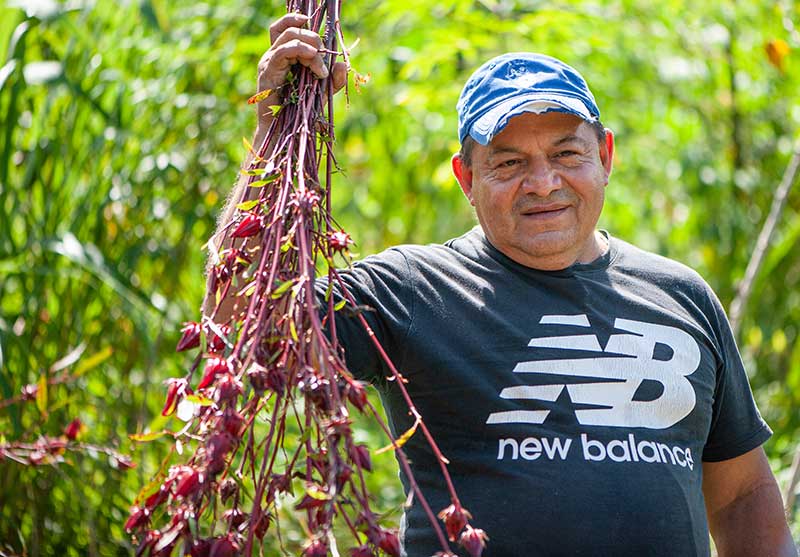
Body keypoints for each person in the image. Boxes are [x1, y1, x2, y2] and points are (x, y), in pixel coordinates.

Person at [210, 13, 798, 557]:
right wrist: (275, 128)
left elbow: (742, 494)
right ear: (465, 177)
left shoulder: (681, 296)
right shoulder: (413, 290)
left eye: (567, 153)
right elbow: (243, 328)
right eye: (509, 163)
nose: (544, 184)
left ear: (606, 156)